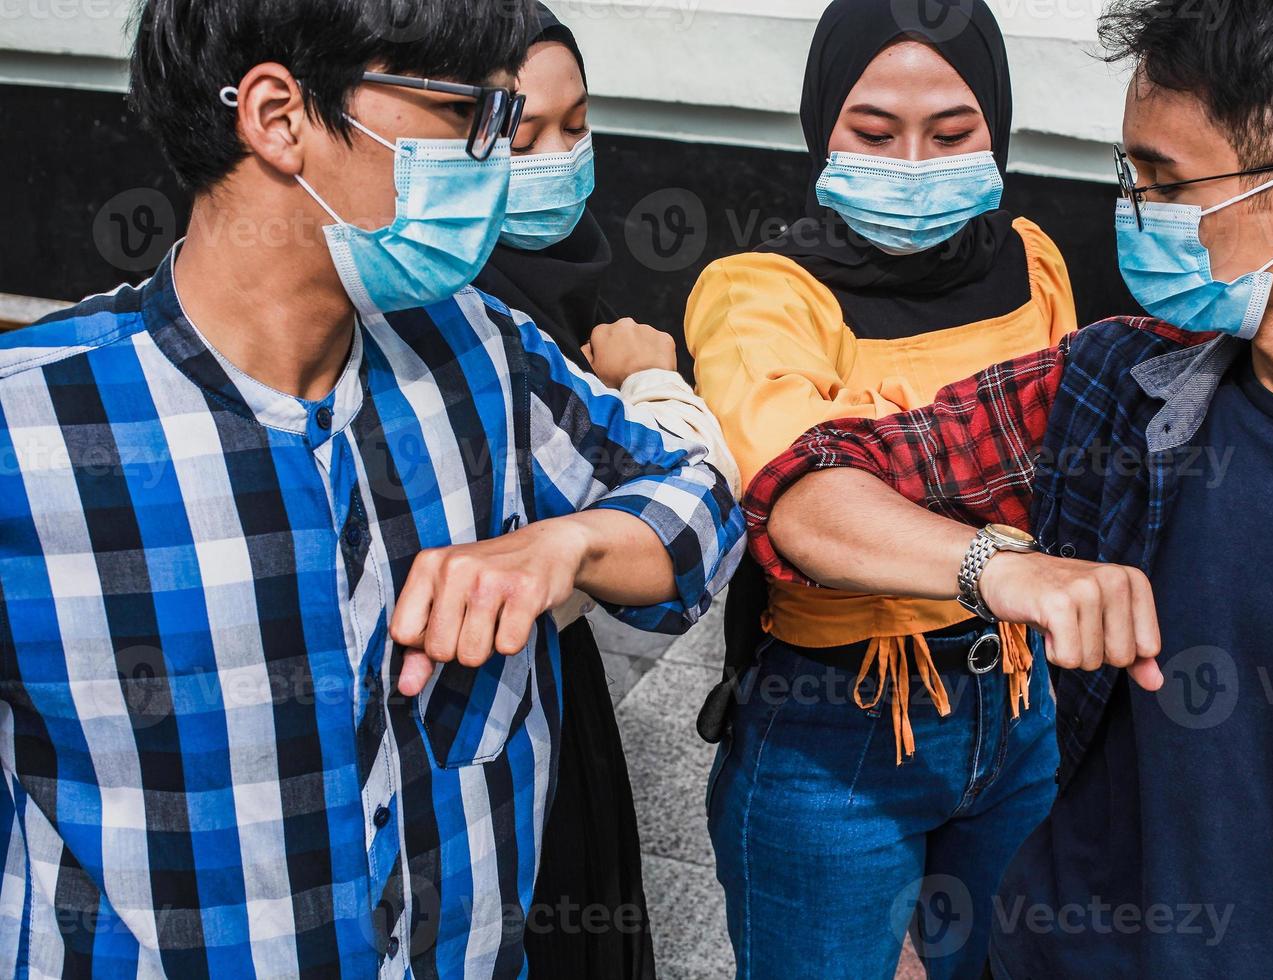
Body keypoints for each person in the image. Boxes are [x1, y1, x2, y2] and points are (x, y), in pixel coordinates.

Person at [0, 0, 745, 976]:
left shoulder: (478, 352)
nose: (499, 163)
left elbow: (700, 494)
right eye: (470, 120)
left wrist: (571, 543)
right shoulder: (35, 430)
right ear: (280, 117)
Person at [740, 0, 1273, 977]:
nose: (1131, 206)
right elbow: (806, 488)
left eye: (1165, 181)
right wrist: (1000, 568)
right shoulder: (1113, 387)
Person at [685, 0, 1076, 974]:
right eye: (873, 131)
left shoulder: (1034, 262)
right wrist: (996, 563)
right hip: (836, 732)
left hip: (1022, 711)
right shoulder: (761, 292)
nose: (912, 163)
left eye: (952, 134)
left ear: (998, 125)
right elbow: (801, 495)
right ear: (823, 128)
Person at [474, 7, 740, 978]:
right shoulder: (461, 319)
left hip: (563, 701)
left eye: (575, 127)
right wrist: (654, 384)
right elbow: (687, 500)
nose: (555, 158)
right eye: (519, 133)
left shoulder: (570, 285)